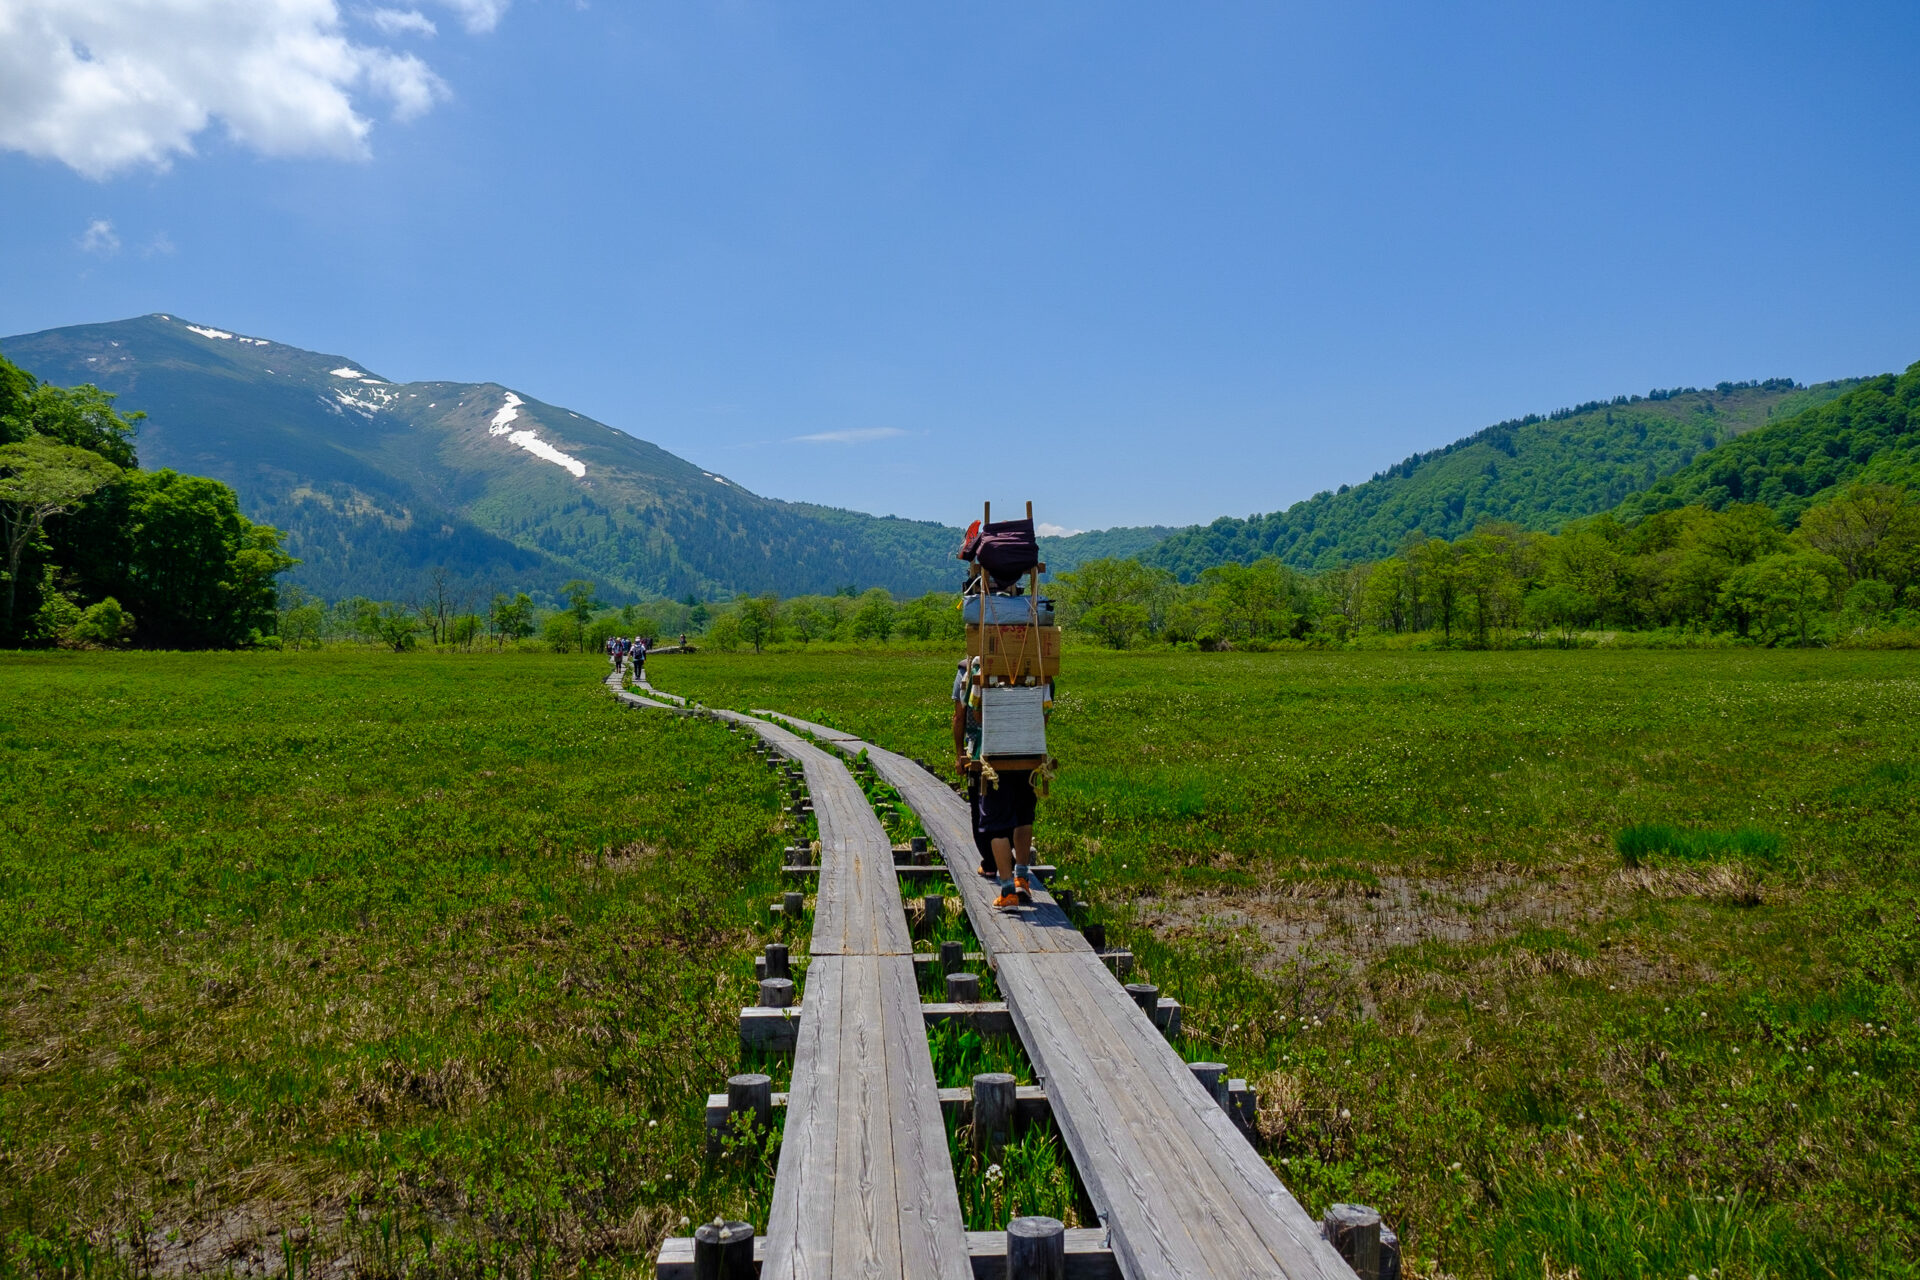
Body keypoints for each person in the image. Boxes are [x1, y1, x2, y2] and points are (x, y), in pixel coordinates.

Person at [953, 656, 1051, 910]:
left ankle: (1008, 891)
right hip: (1028, 754)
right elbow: (1045, 713)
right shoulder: (1040, 667)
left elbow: (975, 712)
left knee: (996, 825)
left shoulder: (979, 667)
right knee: (1023, 816)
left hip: (995, 757)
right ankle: (1022, 877)